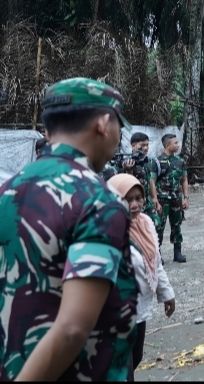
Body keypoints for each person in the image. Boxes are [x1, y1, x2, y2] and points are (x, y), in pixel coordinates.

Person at [0, 77, 137, 380]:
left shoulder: (7, 191)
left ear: (48, 131)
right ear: (103, 124)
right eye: (120, 127)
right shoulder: (96, 200)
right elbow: (73, 329)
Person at [109, 173, 176, 382]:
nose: (135, 204)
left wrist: (166, 293)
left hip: (139, 309)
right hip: (116, 313)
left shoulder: (145, 223)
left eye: (139, 198)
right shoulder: (107, 230)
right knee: (124, 366)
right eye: (127, 199)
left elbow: (155, 262)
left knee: (136, 357)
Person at [157, 133, 190, 262]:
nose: (178, 145)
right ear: (167, 145)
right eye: (175, 143)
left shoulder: (180, 161)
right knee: (159, 226)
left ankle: (177, 253)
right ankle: (157, 254)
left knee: (177, 225)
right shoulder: (157, 161)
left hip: (176, 198)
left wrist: (186, 198)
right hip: (162, 199)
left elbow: (184, 180)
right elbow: (152, 182)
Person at [123, 131, 162, 231]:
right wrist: (129, 169)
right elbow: (127, 184)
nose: (145, 148)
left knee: (156, 224)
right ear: (133, 146)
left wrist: (155, 198)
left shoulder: (148, 161)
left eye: (147, 145)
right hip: (134, 202)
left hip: (147, 201)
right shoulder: (126, 162)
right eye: (142, 145)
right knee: (136, 229)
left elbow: (150, 181)